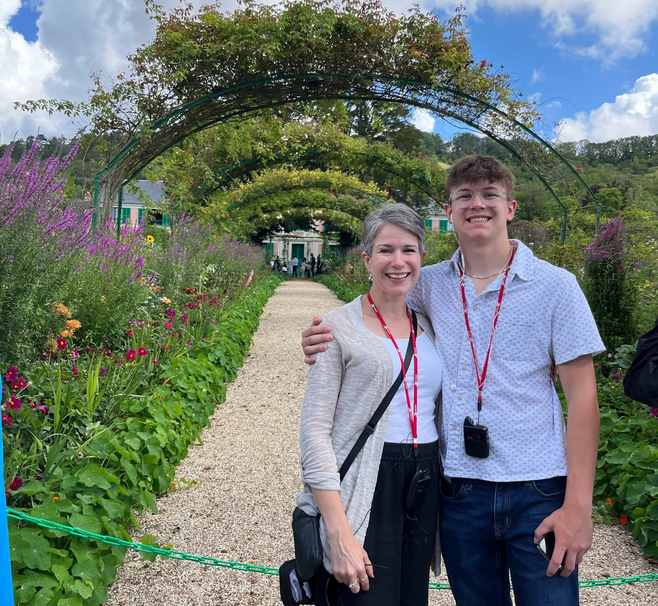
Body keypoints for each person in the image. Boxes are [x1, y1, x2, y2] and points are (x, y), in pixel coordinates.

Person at [302, 155, 604, 606]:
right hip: (459, 492)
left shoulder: (557, 286)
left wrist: (579, 506)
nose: (476, 204)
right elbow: (380, 302)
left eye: (489, 194)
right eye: (464, 195)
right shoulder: (432, 284)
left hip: (538, 490)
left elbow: (583, 398)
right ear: (448, 210)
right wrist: (324, 332)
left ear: (511, 207)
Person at [297, 203, 442, 606]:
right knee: (364, 596)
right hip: (367, 478)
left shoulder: (429, 322)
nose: (398, 262)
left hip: (423, 479)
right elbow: (314, 431)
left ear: (422, 257)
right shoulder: (336, 327)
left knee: (412, 597)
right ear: (366, 258)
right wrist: (338, 530)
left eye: (409, 250)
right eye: (385, 250)